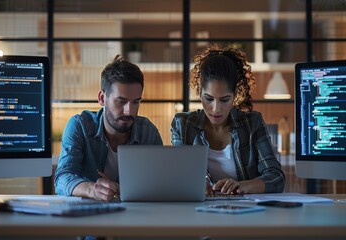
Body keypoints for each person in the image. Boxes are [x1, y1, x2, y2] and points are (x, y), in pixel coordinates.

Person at [171, 44, 285, 194]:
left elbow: (276, 178)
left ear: (235, 95)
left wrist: (243, 186)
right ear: (199, 92)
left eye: (224, 100)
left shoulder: (252, 123)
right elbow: (178, 175)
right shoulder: (183, 125)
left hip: (247, 213)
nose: (216, 109)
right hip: (199, 213)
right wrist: (199, 182)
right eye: (209, 99)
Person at [54, 54, 163, 202]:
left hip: (136, 216)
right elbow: (62, 178)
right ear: (102, 98)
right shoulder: (80, 126)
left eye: (136, 102)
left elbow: (159, 183)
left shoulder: (148, 132)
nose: (129, 111)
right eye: (121, 102)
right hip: (88, 215)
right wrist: (91, 189)